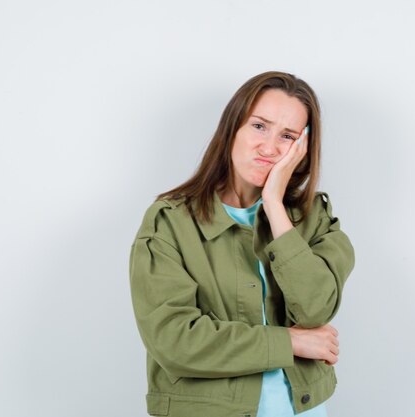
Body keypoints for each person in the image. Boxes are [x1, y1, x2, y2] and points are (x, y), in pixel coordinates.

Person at [129, 71, 355, 417]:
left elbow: (315, 311)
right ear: (232, 128)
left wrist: (275, 207)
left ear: (302, 148)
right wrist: (290, 342)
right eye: (259, 126)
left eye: (288, 135)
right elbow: (174, 340)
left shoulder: (314, 219)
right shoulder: (169, 223)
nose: (269, 147)